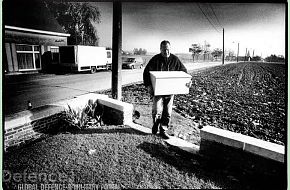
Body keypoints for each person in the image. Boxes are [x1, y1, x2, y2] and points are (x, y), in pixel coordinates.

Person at [143, 40, 189, 139]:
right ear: (160, 49)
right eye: (164, 50)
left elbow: (184, 72)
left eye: (167, 49)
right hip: (158, 91)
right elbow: (146, 72)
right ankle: (155, 125)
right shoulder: (155, 59)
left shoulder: (175, 59)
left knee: (167, 112)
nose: (166, 52)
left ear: (170, 49)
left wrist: (188, 81)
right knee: (156, 110)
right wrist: (148, 86)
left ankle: (163, 130)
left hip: (170, 90)